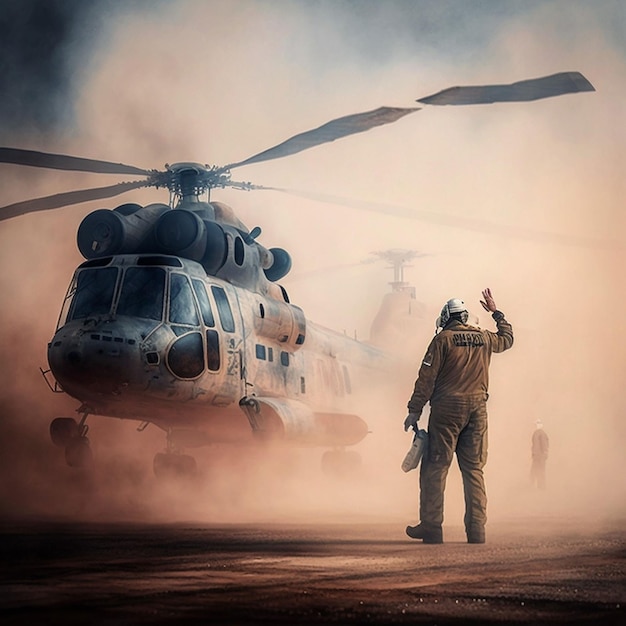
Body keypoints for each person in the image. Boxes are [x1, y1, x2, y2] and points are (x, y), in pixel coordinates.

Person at [403, 288, 513, 544]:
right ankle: (476, 531)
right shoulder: (485, 338)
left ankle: (432, 527)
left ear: (446, 317)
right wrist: (496, 312)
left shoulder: (442, 340)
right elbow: (507, 339)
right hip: (477, 410)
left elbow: (426, 378)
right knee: (474, 470)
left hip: (446, 411)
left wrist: (414, 409)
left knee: (435, 468)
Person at [530, 420, 549, 490]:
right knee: (535, 471)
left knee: (540, 471)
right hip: (536, 456)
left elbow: (544, 445)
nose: (537, 425)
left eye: (538, 424)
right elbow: (535, 445)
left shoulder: (542, 433)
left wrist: (544, 454)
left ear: (541, 425)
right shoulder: (536, 433)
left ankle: (541, 487)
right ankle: (534, 487)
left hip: (540, 456)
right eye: (536, 424)